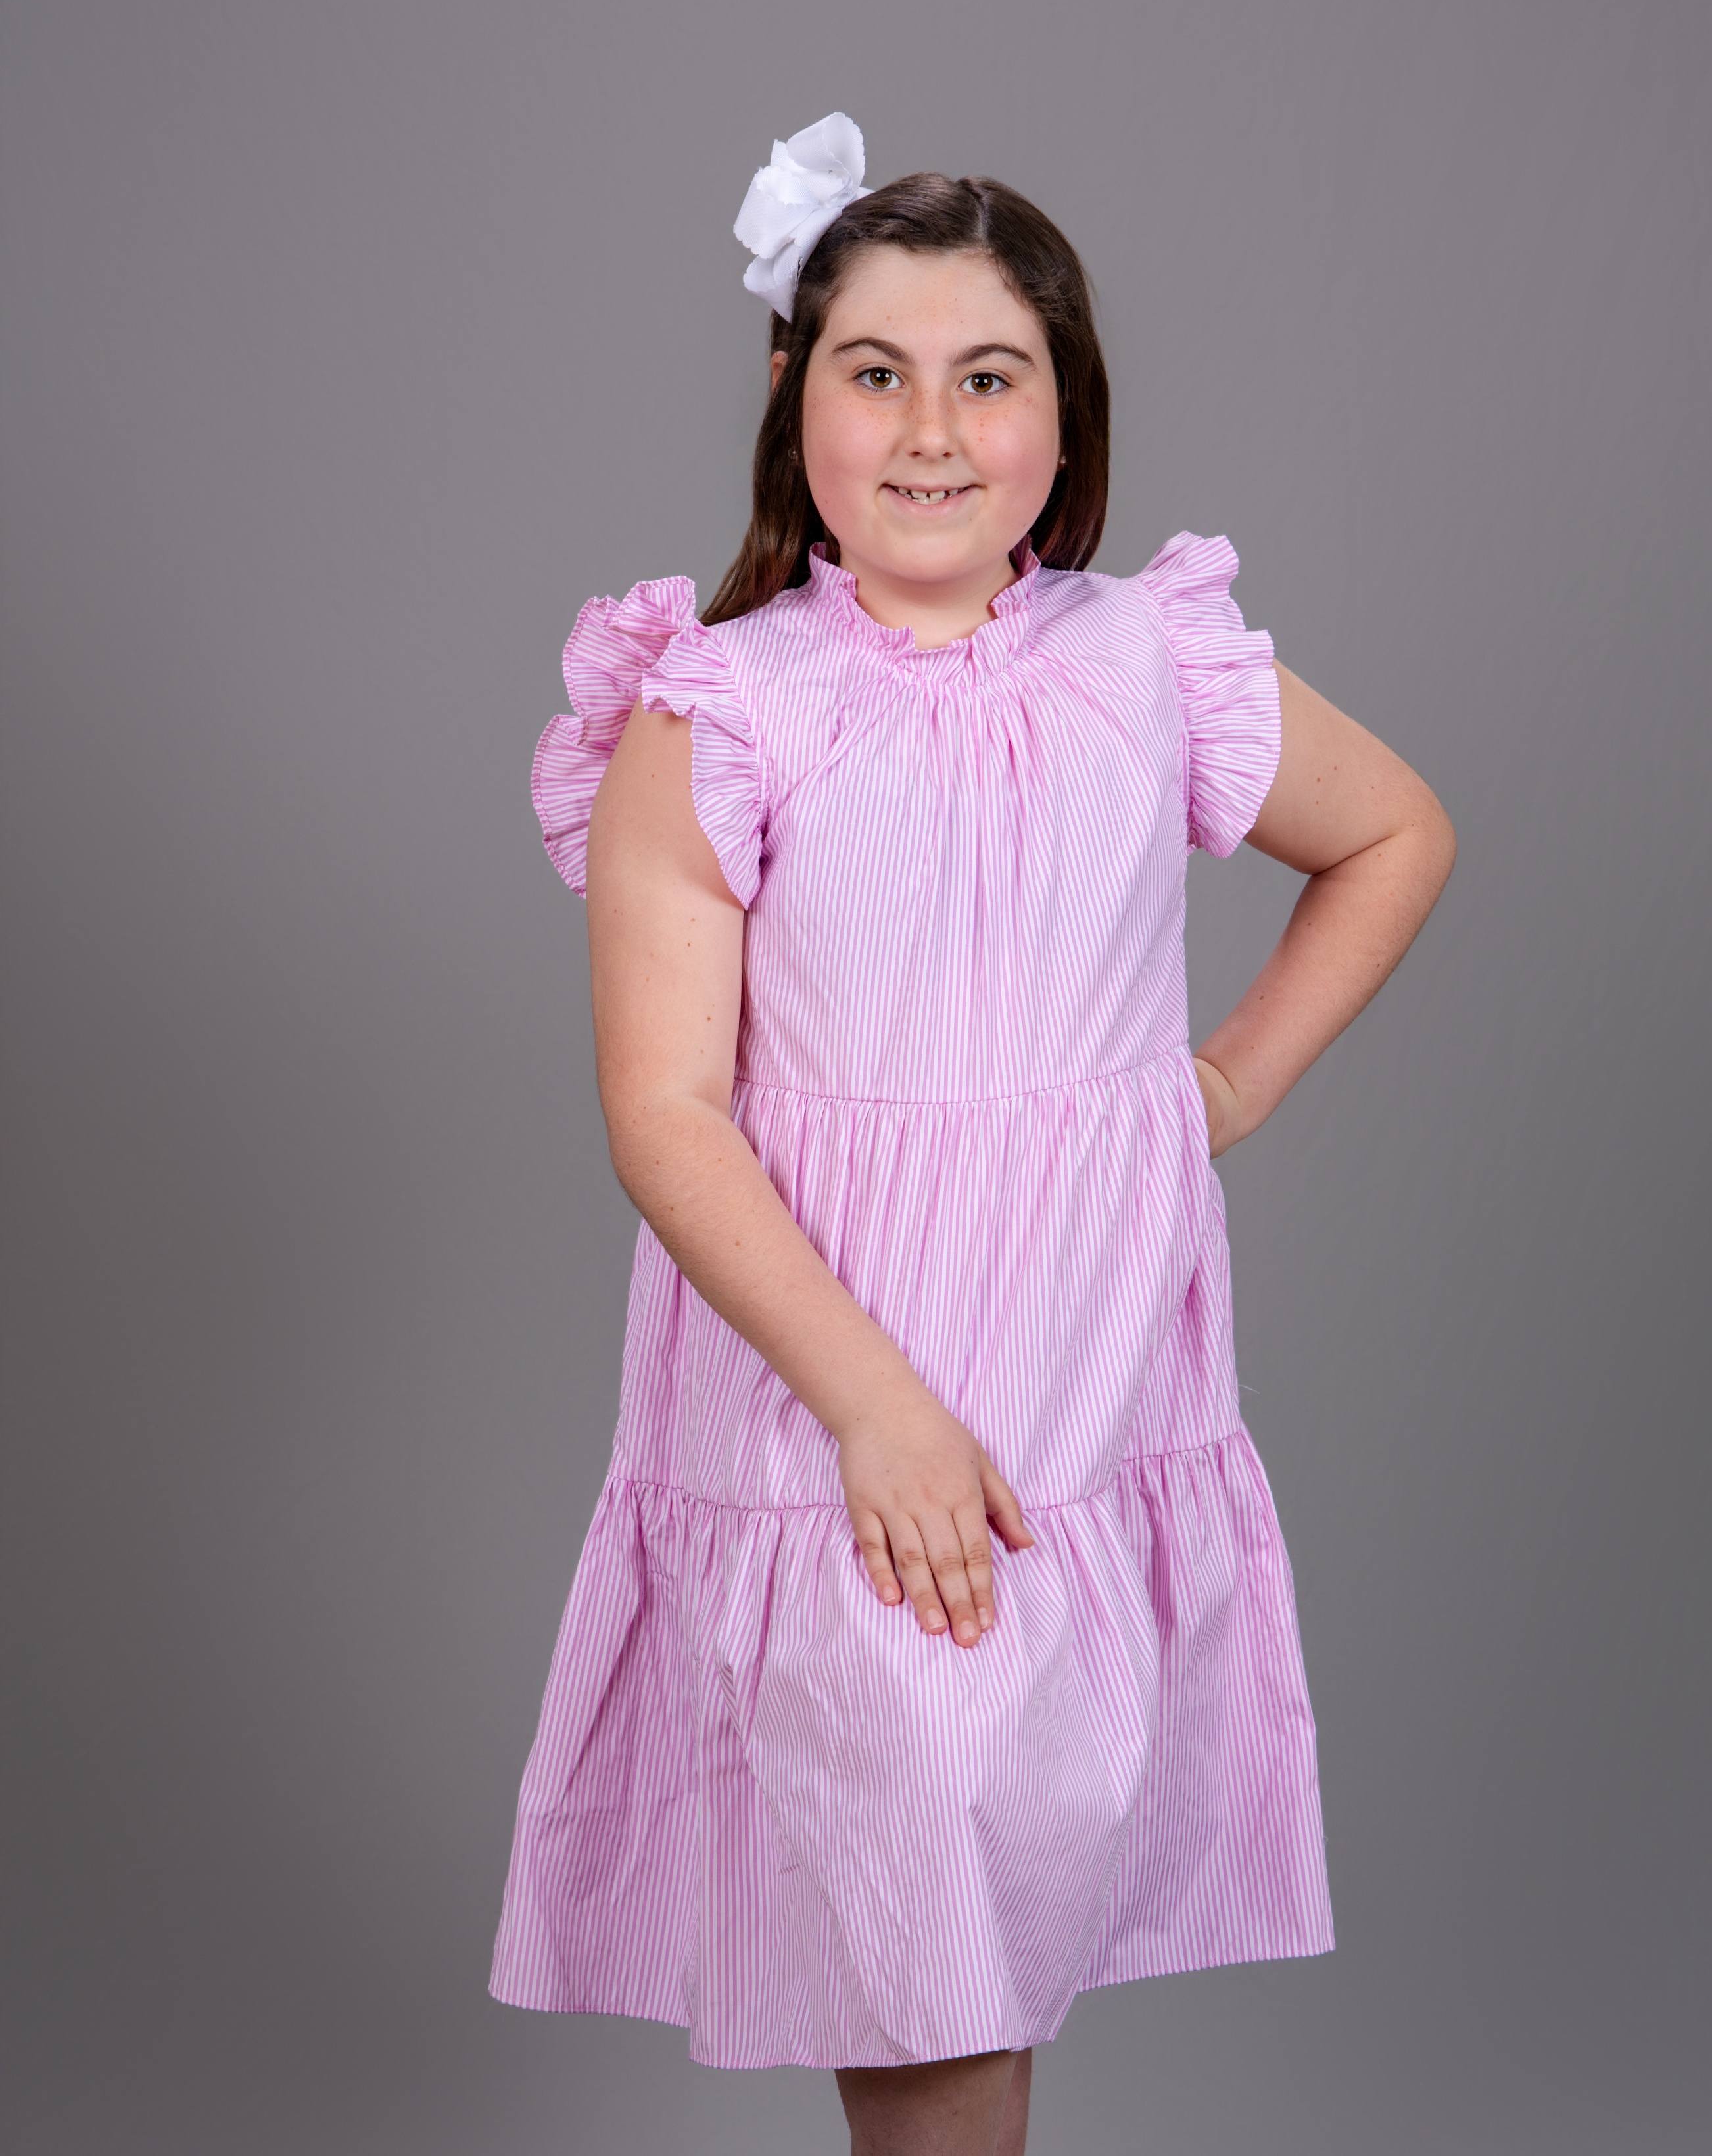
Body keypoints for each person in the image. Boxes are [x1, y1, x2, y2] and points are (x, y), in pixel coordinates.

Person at [490, 114, 1455, 2156]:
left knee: (990, 1948)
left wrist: (1216, 1090)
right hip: (830, 1405)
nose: (933, 431)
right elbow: (664, 1112)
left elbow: (1393, 833)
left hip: (1077, 1397)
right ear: (795, 393)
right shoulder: (720, 711)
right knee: (931, 1973)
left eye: (988, 375)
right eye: (878, 371)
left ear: (1064, 407)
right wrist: (878, 1411)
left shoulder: (1148, 662)